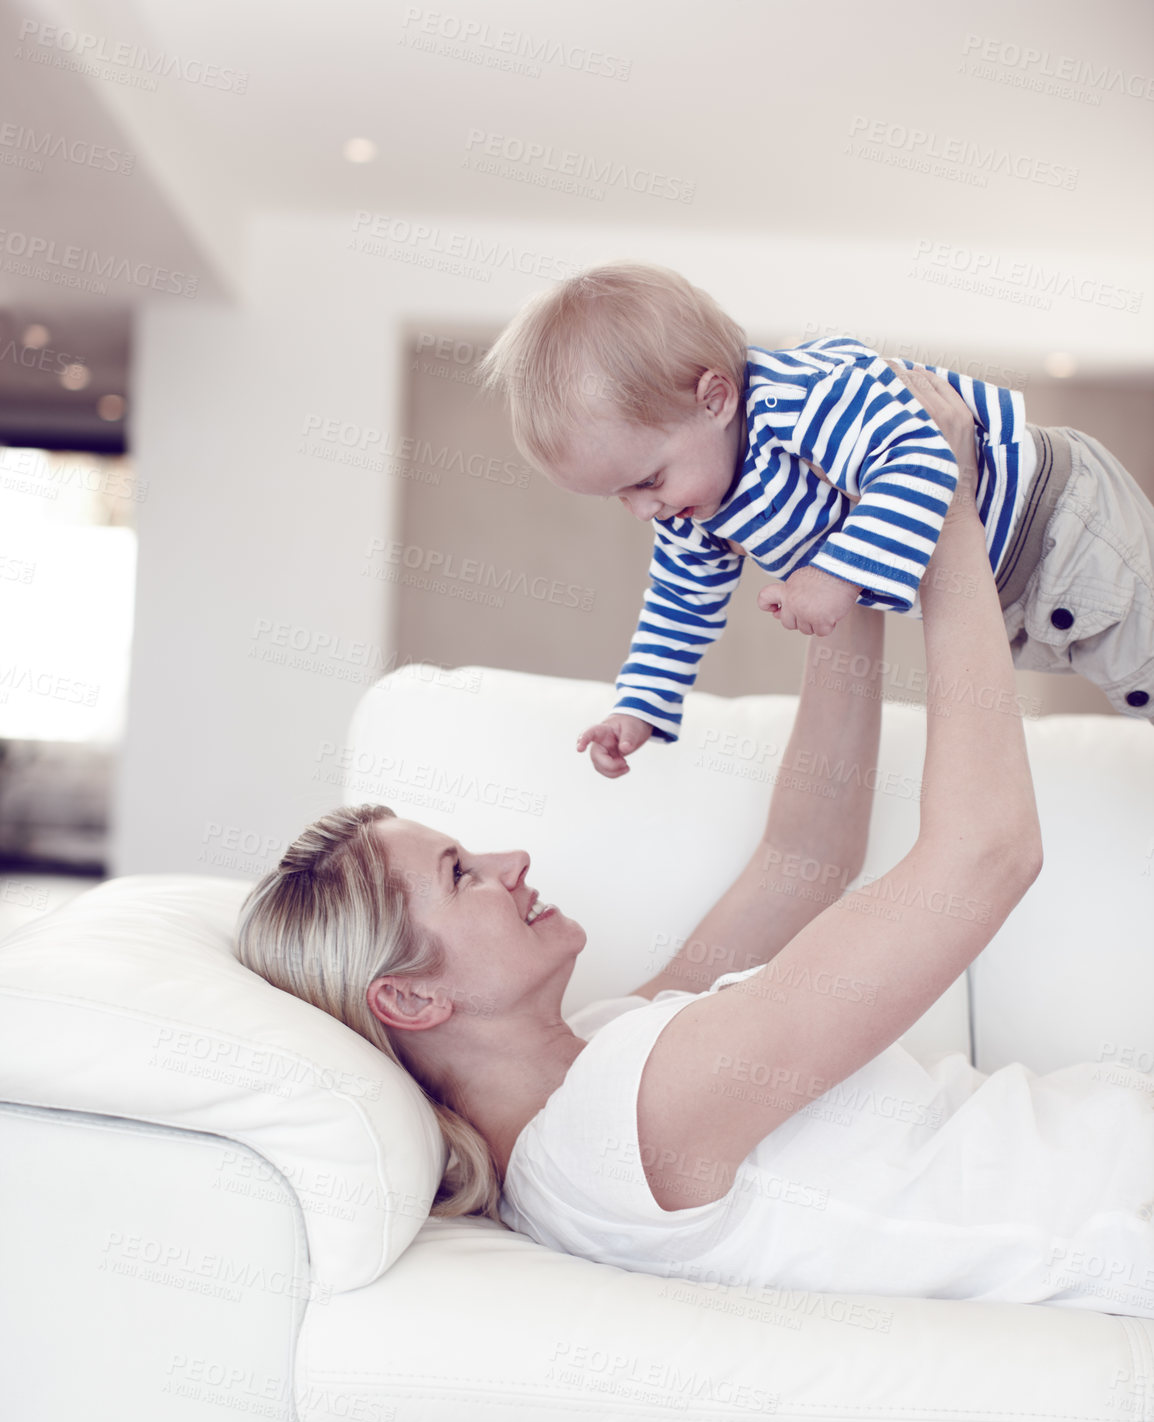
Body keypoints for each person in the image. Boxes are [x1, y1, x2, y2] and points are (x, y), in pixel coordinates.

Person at [236, 368, 1154, 1320]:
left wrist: (844, 560)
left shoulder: (598, 1063)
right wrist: (947, 503)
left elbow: (806, 858)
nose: (511, 864)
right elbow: (985, 857)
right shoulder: (620, 1126)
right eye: (460, 874)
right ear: (412, 995)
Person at [477, 261, 1154, 777]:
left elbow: (922, 458)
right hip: (1008, 598)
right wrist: (640, 706)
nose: (643, 510)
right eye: (619, 497)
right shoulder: (691, 505)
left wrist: (833, 573)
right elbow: (678, 604)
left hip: (1064, 526)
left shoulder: (803, 398)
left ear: (714, 399)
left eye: (647, 480)